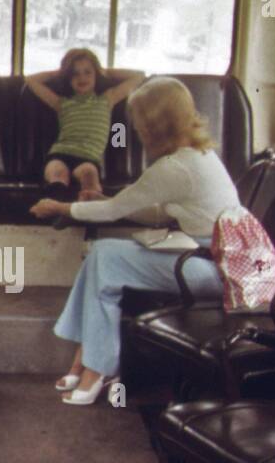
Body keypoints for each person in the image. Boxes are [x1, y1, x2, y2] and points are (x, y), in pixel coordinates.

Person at [29, 77, 241, 405]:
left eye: (141, 126)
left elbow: (114, 211)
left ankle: (96, 367)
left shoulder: (174, 167)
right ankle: (87, 360)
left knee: (105, 257)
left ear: (155, 127)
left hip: (211, 272)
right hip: (209, 262)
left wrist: (61, 207)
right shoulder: (199, 154)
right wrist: (101, 197)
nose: (138, 133)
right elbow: (155, 213)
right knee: (102, 255)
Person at [25, 48, 143, 207]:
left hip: (88, 158)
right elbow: (31, 80)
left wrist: (104, 71)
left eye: (88, 72)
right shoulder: (61, 103)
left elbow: (139, 76)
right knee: (58, 174)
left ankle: (90, 222)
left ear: (96, 75)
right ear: (68, 78)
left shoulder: (107, 99)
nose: (82, 77)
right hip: (60, 154)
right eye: (75, 73)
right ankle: (57, 211)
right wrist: (59, 72)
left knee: (90, 177)